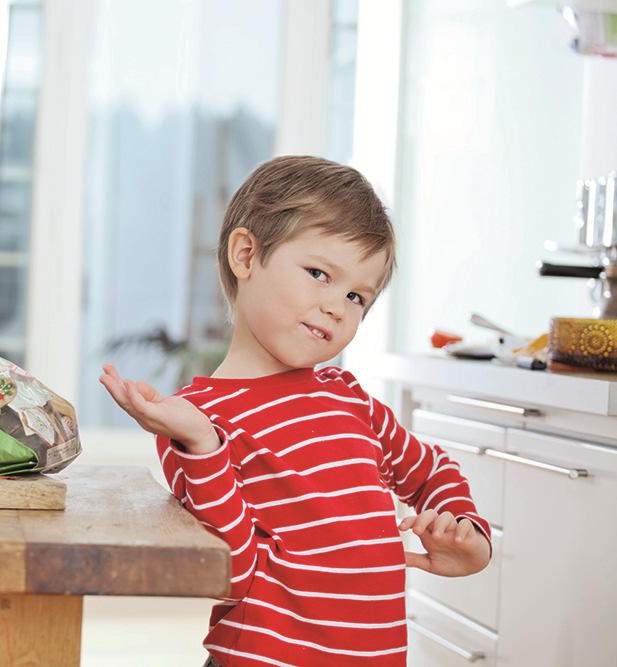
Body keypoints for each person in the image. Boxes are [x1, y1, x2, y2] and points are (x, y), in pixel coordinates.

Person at [99, 156, 491, 667]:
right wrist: (204, 445)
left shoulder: (349, 399)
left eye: (356, 295)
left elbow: (433, 470)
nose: (336, 306)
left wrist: (466, 531)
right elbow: (233, 575)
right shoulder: (197, 419)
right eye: (318, 274)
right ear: (245, 255)